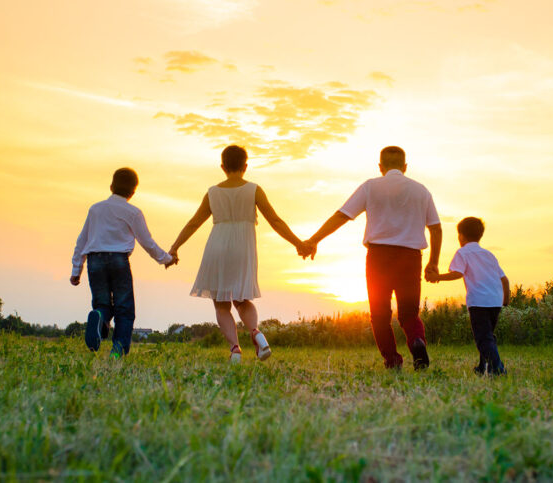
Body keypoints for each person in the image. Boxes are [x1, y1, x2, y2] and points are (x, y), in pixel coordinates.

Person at [169, 145, 312, 363]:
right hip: (243, 247)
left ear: (222, 166)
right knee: (242, 299)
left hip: (217, 246)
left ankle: (235, 349)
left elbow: (194, 223)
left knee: (221, 304)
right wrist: (298, 243)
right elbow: (275, 221)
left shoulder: (213, 192)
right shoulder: (254, 189)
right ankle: (255, 333)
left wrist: (175, 247)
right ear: (245, 166)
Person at [305, 146, 441, 370]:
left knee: (379, 314)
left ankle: (392, 360)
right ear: (405, 167)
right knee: (409, 313)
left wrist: (314, 239)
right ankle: (417, 341)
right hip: (410, 257)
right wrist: (433, 262)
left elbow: (342, 215)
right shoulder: (421, 191)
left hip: (379, 257)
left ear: (380, 167)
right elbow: (435, 228)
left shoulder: (370, 186)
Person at [69, 167, 177, 358]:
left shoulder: (95, 209)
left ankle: (100, 318)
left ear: (111, 186)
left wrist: (76, 269)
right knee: (124, 309)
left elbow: (81, 240)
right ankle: (117, 352)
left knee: (102, 304)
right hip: (119, 260)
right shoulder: (133, 212)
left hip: (94, 261)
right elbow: (147, 242)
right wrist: (165, 259)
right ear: (133, 192)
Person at [426, 217, 509, 375]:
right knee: (487, 335)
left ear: (461, 236)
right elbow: (504, 279)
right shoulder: (489, 255)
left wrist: (437, 277)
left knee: (483, 338)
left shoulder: (463, 252)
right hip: (495, 301)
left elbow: (457, 273)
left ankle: (497, 369)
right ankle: (482, 367)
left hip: (479, 302)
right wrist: (506, 299)